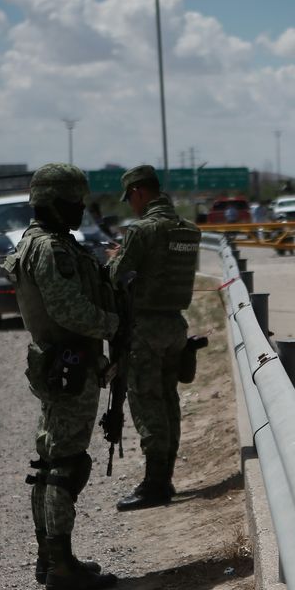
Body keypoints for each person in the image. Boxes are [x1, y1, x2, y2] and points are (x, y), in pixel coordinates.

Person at [3, 163, 120, 590]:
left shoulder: (40, 243)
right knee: (67, 464)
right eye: (73, 203)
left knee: (51, 461)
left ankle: (50, 558)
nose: (80, 210)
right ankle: (62, 566)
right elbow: (69, 311)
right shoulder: (50, 249)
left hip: (58, 363)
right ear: (52, 203)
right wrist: (113, 324)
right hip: (70, 364)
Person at [107, 164, 202, 510]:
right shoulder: (188, 229)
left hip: (145, 329)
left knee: (147, 403)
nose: (130, 205)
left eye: (130, 198)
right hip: (175, 326)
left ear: (138, 193)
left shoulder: (141, 230)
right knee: (168, 401)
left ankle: (155, 484)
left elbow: (117, 276)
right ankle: (165, 477)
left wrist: (113, 258)